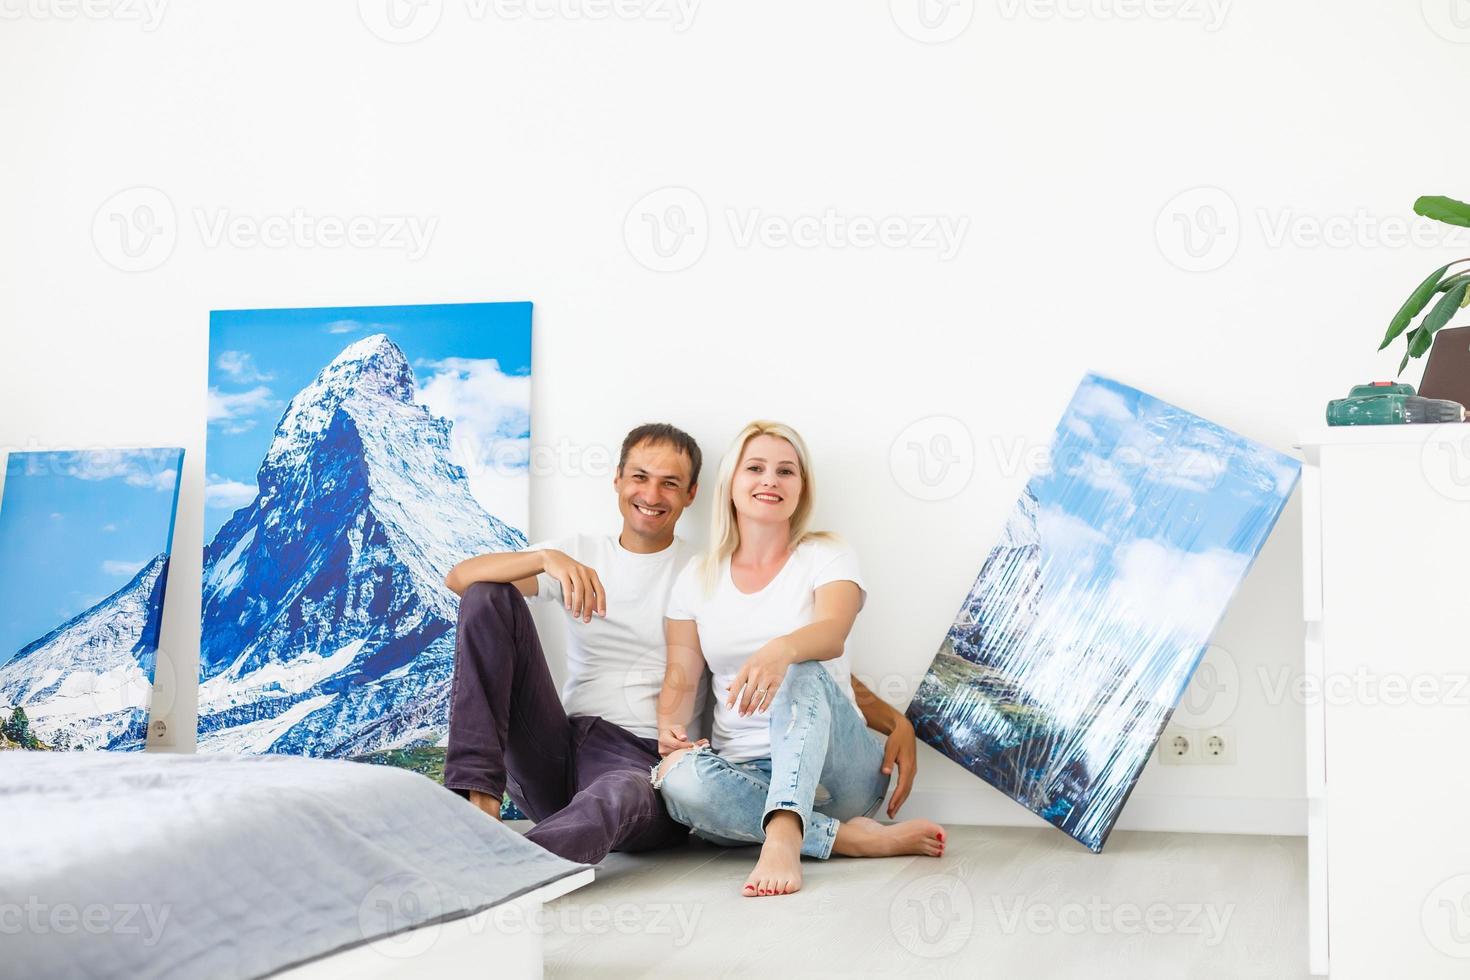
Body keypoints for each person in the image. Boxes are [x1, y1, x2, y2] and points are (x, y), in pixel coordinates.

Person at [653, 420, 945, 898]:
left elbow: (831, 635)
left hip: (838, 772)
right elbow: (681, 676)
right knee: (677, 780)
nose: (770, 480)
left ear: (801, 488)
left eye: (786, 471)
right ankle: (845, 839)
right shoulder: (696, 576)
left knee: (801, 665)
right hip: (745, 773)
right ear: (731, 483)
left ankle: (787, 832)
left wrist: (780, 649)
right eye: (756, 468)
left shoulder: (825, 553)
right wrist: (670, 726)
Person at [442, 423, 706, 865]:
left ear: (690, 494)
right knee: (490, 593)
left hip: (641, 762)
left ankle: (505, 869)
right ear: (618, 479)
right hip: (558, 750)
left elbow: (758, 646)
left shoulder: (705, 572)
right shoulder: (579, 553)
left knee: (618, 792)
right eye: (640, 477)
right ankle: (479, 803)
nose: (652, 494)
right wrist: (545, 558)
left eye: (670, 483)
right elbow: (460, 579)